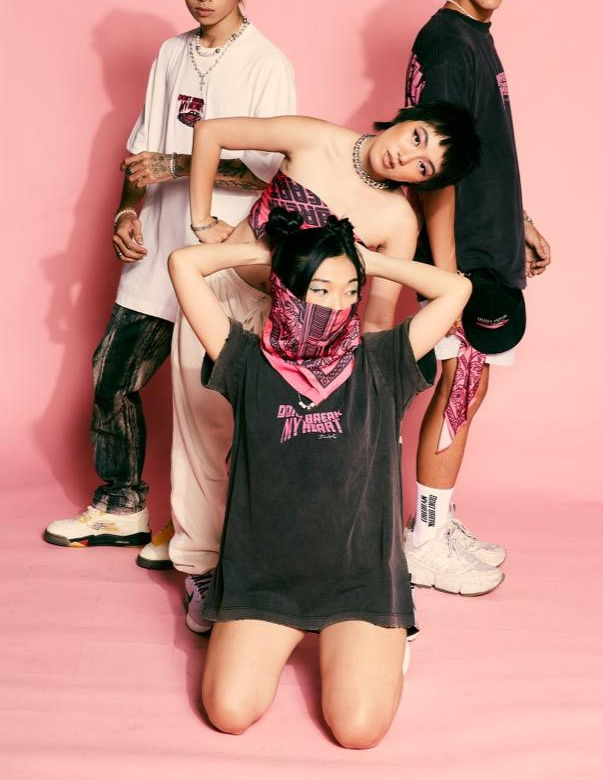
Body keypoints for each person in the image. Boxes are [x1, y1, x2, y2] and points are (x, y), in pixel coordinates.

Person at [168, 103, 497, 629]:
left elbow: (379, 317)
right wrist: (203, 220)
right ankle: (202, 567)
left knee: (271, 449)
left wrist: (367, 393)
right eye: (417, 138)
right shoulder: (315, 138)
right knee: (202, 433)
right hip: (220, 295)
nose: (407, 158)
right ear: (405, 119)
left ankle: (266, 568)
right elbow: (210, 131)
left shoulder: (398, 220)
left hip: (300, 337)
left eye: (424, 167)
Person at [168, 207, 474, 747]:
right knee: (229, 713)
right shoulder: (244, 359)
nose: (336, 305)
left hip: (360, 581)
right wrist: (273, 254)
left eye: (350, 290)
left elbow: (456, 289)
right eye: (319, 290)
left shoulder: (383, 360)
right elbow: (183, 264)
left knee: (357, 732)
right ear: (286, 289)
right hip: (263, 580)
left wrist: (367, 259)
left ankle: (385, 643)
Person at [44, 0, 296, 551]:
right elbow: (141, 154)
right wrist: (126, 213)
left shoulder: (267, 64)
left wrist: (180, 165)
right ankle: (121, 504)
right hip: (156, 251)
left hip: (220, 260)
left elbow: (270, 171)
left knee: (214, 401)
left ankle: (215, 531)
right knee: (111, 376)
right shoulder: (169, 55)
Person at [403, 0, 552, 593]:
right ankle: (426, 541)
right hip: (459, 255)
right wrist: (448, 274)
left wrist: (519, 221)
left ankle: (438, 518)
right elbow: (433, 165)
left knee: (470, 382)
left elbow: (480, 149)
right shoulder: (446, 43)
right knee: (461, 382)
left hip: (486, 244)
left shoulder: (475, 38)